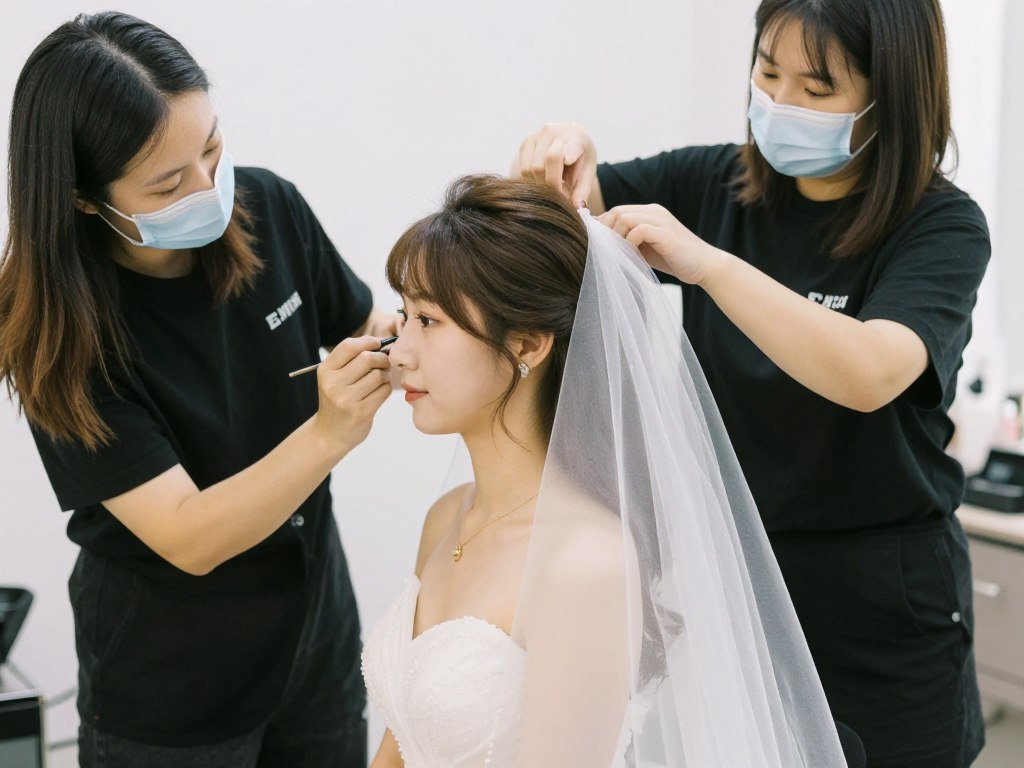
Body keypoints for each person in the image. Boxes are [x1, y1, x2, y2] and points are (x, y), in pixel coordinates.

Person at [515, 1, 989, 765]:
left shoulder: (941, 226)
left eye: (817, 86)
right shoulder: (716, 181)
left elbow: (871, 371)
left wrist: (707, 264)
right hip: (742, 589)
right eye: (767, 74)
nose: (781, 103)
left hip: (883, 607)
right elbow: (568, 213)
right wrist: (563, 156)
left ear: (890, 97)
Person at [0, 12, 395, 766]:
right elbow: (188, 535)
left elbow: (373, 324)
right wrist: (329, 432)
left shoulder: (270, 208)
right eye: (168, 183)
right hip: (172, 688)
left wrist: (449, 323)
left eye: (212, 148)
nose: (209, 189)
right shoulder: (58, 339)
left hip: (315, 644)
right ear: (84, 197)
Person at [361, 174, 854, 767]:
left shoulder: (585, 562)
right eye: (404, 315)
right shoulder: (446, 518)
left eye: (430, 321)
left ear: (527, 345)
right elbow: (400, 745)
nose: (399, 352)